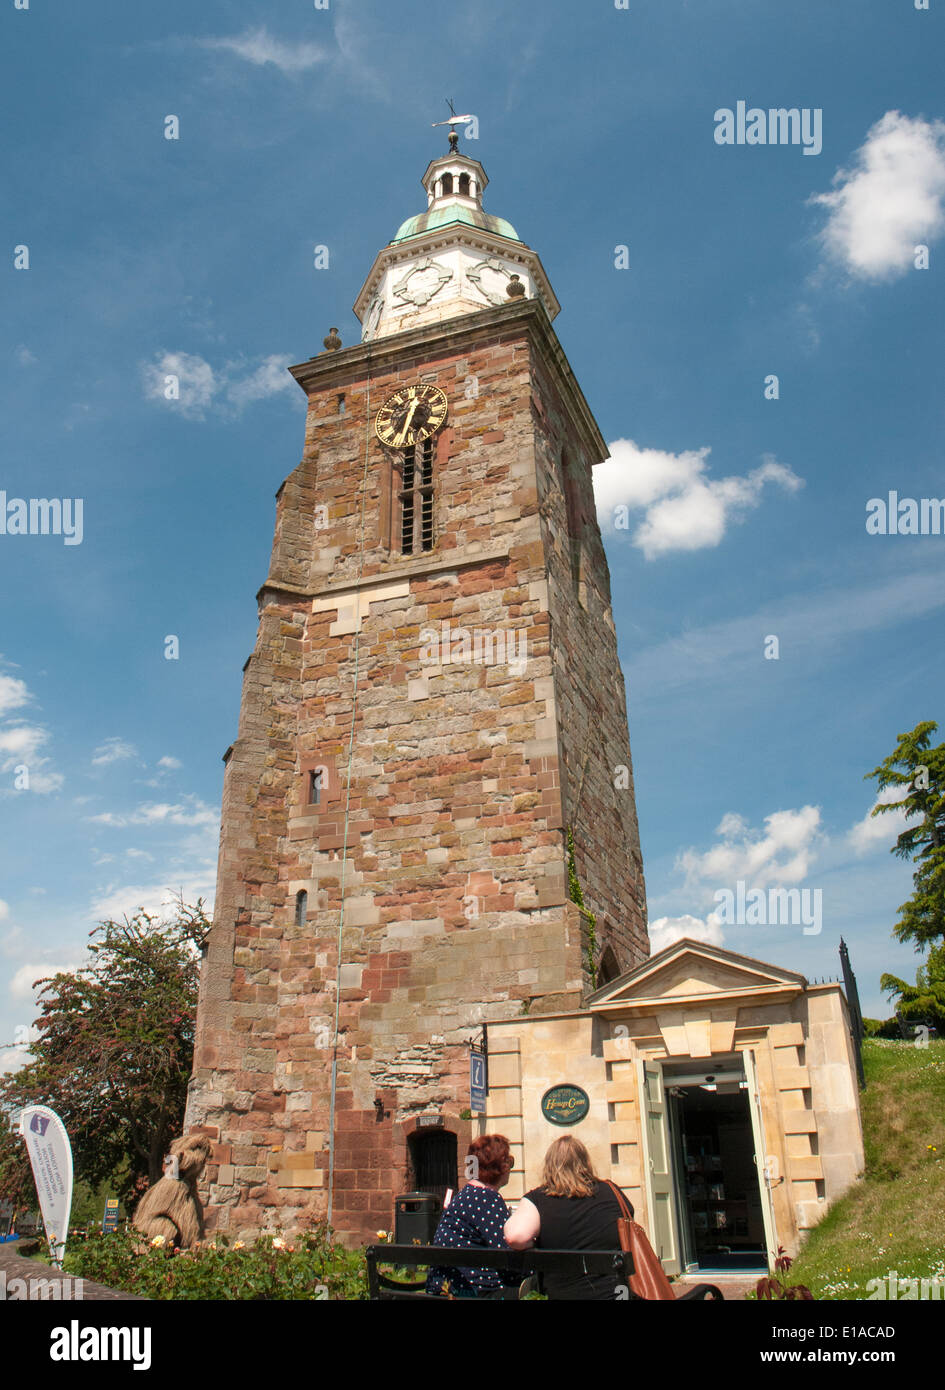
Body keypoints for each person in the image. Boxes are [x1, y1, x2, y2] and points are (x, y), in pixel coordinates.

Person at [504, 1134, 633, 1300]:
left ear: (549, 1166)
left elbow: (516, 1237)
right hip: (615, 1294)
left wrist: (534, 1242)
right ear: (586, 1162)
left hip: (562, 1294)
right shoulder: (612, 1191)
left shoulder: (538, 1199)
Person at [425, 1134, 518, 1298]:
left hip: (445, 1289)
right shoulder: (487, 1199)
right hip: (472, 1292)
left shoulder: (464, 1195)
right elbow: (509, 1260)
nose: (510, 1166)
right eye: (508, 1161)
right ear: (499, 1167)